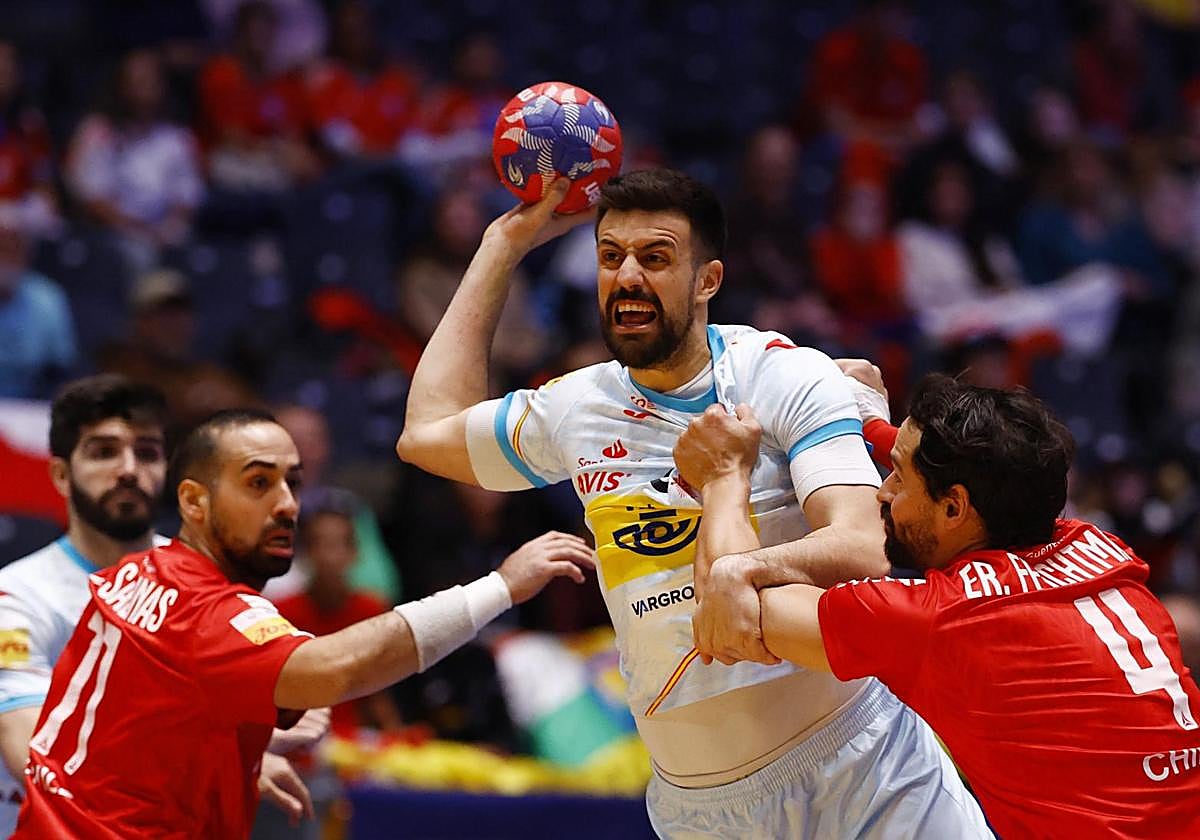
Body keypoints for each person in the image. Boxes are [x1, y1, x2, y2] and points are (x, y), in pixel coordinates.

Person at [396, 169, 990, 837]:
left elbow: (863, 548)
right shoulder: (574, 406)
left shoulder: (782, 372)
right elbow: (425, 434)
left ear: (707, 280)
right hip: (702, 811)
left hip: (863, 770)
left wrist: (736, 570)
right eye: (609, 257)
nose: (626, 278)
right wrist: (502, 245)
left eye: (654, 259)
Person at [15, 409, 591, 838]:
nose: (288, 503)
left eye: (291, 481)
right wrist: (501, 587)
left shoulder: (140, 571)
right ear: (193, 501)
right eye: (259, 483)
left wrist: (238, 755)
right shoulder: (210, 614)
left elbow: (139, 719)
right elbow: (333, 670)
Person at [674, 369, 1200, 838]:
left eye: (897, 474)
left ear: (954, 507)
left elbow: (735, 616)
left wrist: (724, 478)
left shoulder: (937, 619)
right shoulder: (1092, 542)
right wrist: (862, 422)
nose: (881, 491)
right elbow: (992, 465)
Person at [0, 377, 316, 836]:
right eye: (104, 451)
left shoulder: (213, 582)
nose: (129, 469)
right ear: (61, 476)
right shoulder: (16, 596)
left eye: (146, 452)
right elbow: (31, 751)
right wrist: (228, 762)